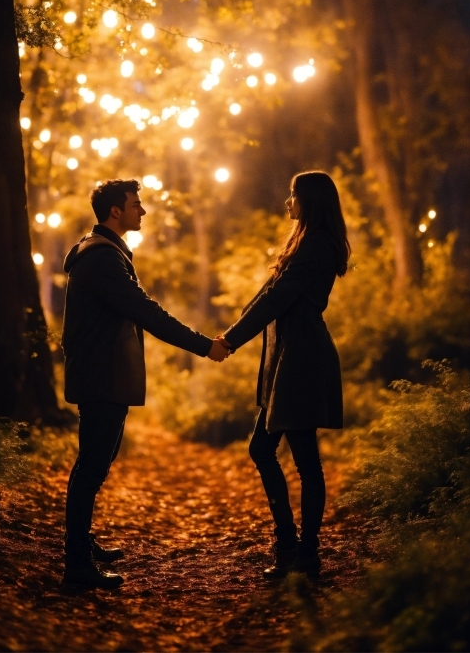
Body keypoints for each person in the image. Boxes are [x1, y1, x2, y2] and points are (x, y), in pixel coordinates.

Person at [62, 178, 229, 589]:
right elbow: (147, 313)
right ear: (115, 211)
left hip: (101, 373)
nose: (143, 211)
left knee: (93, 465)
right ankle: (77, 566)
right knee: (91, 468)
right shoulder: (103, 259)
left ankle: (81, 545)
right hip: (102, 376)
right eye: (136, 204)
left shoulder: (102, 251)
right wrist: (204, 346)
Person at [219, 171, 350, 579]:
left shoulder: (317, 246)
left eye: (292, 195)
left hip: (302, 357)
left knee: (303, 458)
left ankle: (303, 551)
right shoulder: (303, 242)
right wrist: (228, 335)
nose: (287, 201)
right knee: (265, 450)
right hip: (287, 356)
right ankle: (292, 544)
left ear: (308, 200)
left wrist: (231, 340)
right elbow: (265, 293)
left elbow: (278, 299)